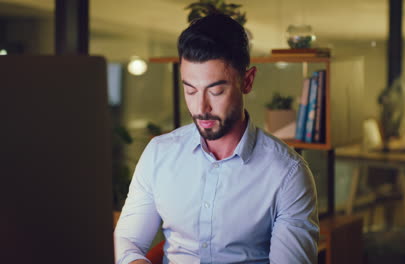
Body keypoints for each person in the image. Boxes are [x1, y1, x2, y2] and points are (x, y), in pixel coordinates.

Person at [114, 14, 319, 264]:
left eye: (216, 90)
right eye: (190, 90)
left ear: (248, 81)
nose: (201, 107)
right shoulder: (159, 154)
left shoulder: (288, 174)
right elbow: (126, 241)